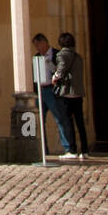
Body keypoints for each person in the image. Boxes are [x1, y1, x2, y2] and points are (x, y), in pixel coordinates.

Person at [32, 32, 73, 155]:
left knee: (60, 118)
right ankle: (44, 150)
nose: (37, 48)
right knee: (40, 120)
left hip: (52, 90)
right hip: (40, 90)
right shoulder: (36, 56)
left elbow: (60, 71)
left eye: (38, 45)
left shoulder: (56, 54)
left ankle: (68, 148)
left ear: (44, 43)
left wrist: (48, 62)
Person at [53, 32, 90, 160]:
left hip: (67, 92)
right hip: (78, 93)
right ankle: (85, 150)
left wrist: (55, 77)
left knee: (68, 121)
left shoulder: (61, 55)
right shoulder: (78, 56)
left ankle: (72, 149)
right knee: (80, 122)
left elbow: (61, 70)